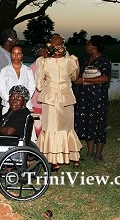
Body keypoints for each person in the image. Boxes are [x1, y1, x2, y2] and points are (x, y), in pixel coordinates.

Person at [35, 34, 82, 170]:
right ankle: (74, 157)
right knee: (67, 128)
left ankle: (54, 160)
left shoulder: (43, 62)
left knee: (51, 128)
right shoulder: (71, 61)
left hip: (50, 98)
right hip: (66, 97)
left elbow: (38, 85)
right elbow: (74, 77)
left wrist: (48, 84)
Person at [74, 36, 111, 161]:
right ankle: (90, 152)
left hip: (98, 97)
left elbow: (105, 78)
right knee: (87, 122)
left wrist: (84, 80)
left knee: (99, 123)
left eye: (88, 44)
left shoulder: (104, 60)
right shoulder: (85, 60)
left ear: (94, 47)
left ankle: (98, 154)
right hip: (84, 97)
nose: (86, 46)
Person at [0, 28, 19, 123]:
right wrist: (7, 96)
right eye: (15, 37)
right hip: (1, 101)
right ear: (9, 39)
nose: (17, 40)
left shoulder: (10, 55)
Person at [0, 44, 35, 115]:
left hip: (26, 105)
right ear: (10, 55)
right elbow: (2, 89)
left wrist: (24, 100)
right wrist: (11, 100)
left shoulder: (28, 70)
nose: (16, 56)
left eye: (18, 53)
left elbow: (32, 87)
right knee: (8, 125)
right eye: (14, 53)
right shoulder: (4, 71)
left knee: (27, 125)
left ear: (22, 55)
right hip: (9, 105)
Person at [30, 44, 49, 138]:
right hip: (36, 105)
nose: (46, 53)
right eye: (43, 51)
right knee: (38, 130)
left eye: (46, 50)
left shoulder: (49, 65)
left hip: (47, 104)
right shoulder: (33, 68)